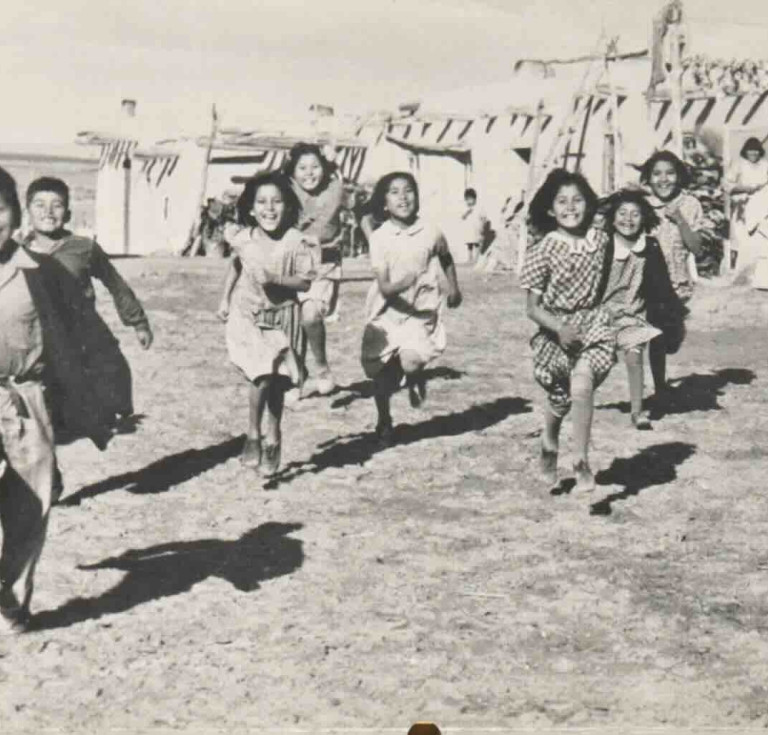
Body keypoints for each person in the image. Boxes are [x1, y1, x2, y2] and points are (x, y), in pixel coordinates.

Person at [0, 167, 107, 634]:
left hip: (27, 400)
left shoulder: (41, 275)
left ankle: (9, 599)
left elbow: (76, 340)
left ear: (13, 213)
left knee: (30, 510)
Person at [24, 177, 153, 431]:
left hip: (79, 332)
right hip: (35, 336)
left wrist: (138, 322)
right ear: (27, 211)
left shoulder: (83, 249)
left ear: (68, 213)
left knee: (110, 369)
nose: (48, 212)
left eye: (57, 205)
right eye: (39, 205)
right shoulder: (15, 252)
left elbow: (115, 284)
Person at [519, 169, 615, 494]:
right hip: (556, 330)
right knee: (559, 398)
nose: (570, 207)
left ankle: (580, 459)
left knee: (583, 384)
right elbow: (532, 308)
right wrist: (559, 328)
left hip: (594, 325)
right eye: (562, 201)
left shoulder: (600, 238)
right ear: (550, 209)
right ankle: (549, 440)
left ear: (588, 205)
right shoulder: (544, 249)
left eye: (578, 200)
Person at [217, 172, 317, 478]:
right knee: (260, 376)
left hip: (284, 317)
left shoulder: (297, 242)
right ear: (251, 208)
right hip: (248, 315)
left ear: (287, 207)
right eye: (262, 202)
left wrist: (275, 279)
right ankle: (253, 434)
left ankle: (273, 434)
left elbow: (304, 282)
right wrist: (224, 298)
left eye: (276, 202)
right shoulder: (244, 238)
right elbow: (236, 264)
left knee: (278, 382)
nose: (269, 208)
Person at [361, 172, 462, 447]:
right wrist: (402, 282)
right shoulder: (380, 238)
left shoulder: (431, 231)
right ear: (384, 203)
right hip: (386, 312)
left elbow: (446, 256)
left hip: (420, 310)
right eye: (394, 192)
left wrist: (453, 287)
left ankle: (413, 374)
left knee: (410, 361)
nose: (403, 197)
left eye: (408, 191)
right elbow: (384, 285)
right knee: (382, 376)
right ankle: (384, 419)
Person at [639, 151, 704, 412]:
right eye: (657, 174)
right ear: (648, 178)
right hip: (649, 281)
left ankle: (671, 342)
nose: (663, 179)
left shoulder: (690, 204)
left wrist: (680, 220)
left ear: (678, 176)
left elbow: (697, 249)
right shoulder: (642, 204)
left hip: (678, 281)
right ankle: (660, 388)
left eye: (669, 173)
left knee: (671, 341)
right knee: (655, 334)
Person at [599, 190, 665, 430]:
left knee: (634, 354)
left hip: (633, 314)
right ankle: (574, 399)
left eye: (635, 214)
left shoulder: (650, 247)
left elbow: (660, 285)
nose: (628, 219)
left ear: (644, 218)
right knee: (597, 362)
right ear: (613, 218)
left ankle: (638, 411)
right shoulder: (603, 245)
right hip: (601, 312)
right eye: (622, 213)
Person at [283, 143, 345, 397]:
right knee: (291, 326)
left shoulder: (334, 189)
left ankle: (322, 369)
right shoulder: (287, 189)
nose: (309, 173)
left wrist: (335, 162)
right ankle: (300, 378)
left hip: (323, 265)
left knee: (310, 315)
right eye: (302, 167)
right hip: (290, 265)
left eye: (315, 167)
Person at [724, 137, 768, 273]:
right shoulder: (739, 164)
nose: (753, 154)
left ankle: (761, 271)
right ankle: (742, 270)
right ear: (746, 152)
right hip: (744, 205)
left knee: (761, 238)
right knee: (743, 239)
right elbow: (727, 185)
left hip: (763, 206)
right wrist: (744, 188)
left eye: (756, 151)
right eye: (750, 151)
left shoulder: (765, 164)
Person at [460, 187, 489, 264]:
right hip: (469, 230)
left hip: (477, 229)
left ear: (475, 199)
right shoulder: (465, 208)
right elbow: (462, 217)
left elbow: (483, 216)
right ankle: (470, 258)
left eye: (471, 199)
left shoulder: (478, 207)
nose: (469, 201)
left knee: (477, 244)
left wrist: (483, 224)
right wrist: (467, 212)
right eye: (467, 199)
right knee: (469, 244)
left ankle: (477, 258)